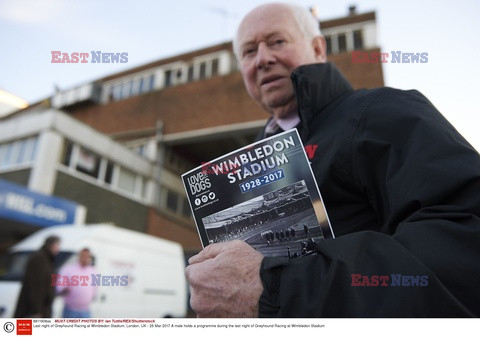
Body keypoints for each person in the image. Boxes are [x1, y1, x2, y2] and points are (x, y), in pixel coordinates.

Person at [185, 2, 480, 317]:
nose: (263, 59)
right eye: (248, 51)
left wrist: (281, 290)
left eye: (277, 42)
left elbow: (465, 239)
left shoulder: (385, 111)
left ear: (318, 48)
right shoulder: (241, 168)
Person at [14, 235, 61, 318]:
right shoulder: (39, 259)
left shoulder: (46, 259)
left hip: (41, 309)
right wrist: (36, 310)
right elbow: (36, 287)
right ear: (51, 246)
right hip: (34, 312)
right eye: (57, 246)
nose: (58, 249)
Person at [56, 248, 97, 318]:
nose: (85, 258)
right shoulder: (68, 269)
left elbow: (95, 288)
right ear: (79, 256)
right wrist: (64, 290)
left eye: (88, 256)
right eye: (83, 256)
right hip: (70, 310)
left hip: (86, 310)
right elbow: (59, 288)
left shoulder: (93, 271)